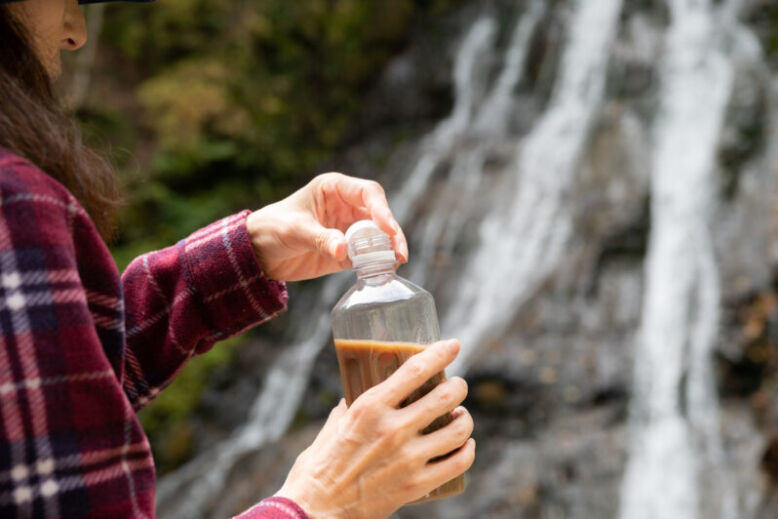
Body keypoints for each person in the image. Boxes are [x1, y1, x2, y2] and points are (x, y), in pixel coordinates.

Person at [0, 0, 476, 518]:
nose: (76, 31)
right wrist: (323, 502)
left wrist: (247, 253)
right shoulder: (13, 201)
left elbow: (57, 389)